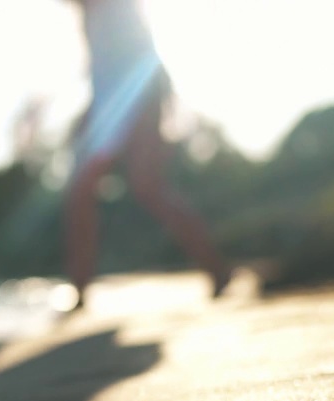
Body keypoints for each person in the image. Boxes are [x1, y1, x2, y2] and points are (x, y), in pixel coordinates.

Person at [64, 0, 231, 307]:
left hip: (138, 100)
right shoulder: (89, 16)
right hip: (109, 107)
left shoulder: (116, 7)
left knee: (146, 187)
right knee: (81, 193)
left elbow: (144, 56)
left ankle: (217, 268)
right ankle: (80, 290)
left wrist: (156, 108)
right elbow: (102, 73)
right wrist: (91, 113)